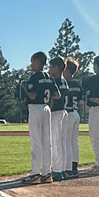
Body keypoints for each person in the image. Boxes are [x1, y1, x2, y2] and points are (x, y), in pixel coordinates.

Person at [23, 51, 60, 184]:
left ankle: (35, 173)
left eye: (33, 62)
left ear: (38, 61)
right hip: (46, 108)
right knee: (46, 142)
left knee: (36, 142)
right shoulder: (50, 77)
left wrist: (25, 88)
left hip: (36, 109)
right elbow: (57, 95)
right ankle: (47, 173)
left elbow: (32, 95)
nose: (31, 65)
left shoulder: (34, 77)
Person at [48, 57, 70, 182]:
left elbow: (54, 97)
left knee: (55, 142)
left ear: (56, 67)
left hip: (56, 112)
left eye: (51, 67)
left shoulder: (55, 81)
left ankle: (57, 170)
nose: (50, 70)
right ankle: (62, 169)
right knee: (62, 142)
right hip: (64, 112)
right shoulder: (64, 81)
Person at [62, 57, 82, 179]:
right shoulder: (77, 84)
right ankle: (74, 166)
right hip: (76, 113)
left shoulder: (65, 83)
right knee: (74, 141)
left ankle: (67, 167)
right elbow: (79, 99)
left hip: (68, 113)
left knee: (67, 141)